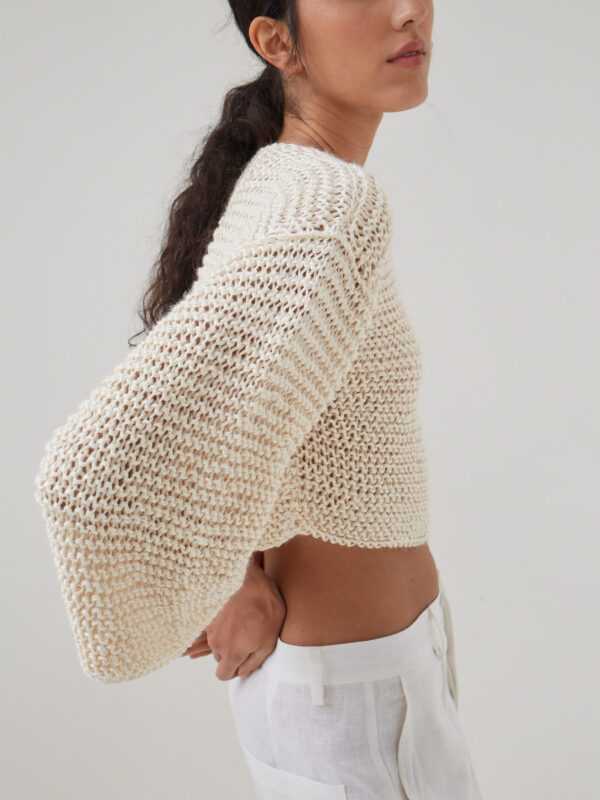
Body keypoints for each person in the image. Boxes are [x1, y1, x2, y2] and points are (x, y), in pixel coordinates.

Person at [34, 1, 484, 798]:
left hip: (365, 688)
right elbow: (86, 476)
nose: (410, 10)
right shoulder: (332, 205)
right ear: (278, 41)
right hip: (357, 702)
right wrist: (207, 589)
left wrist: (239, 569)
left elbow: (247, 418)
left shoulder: (285, 180)